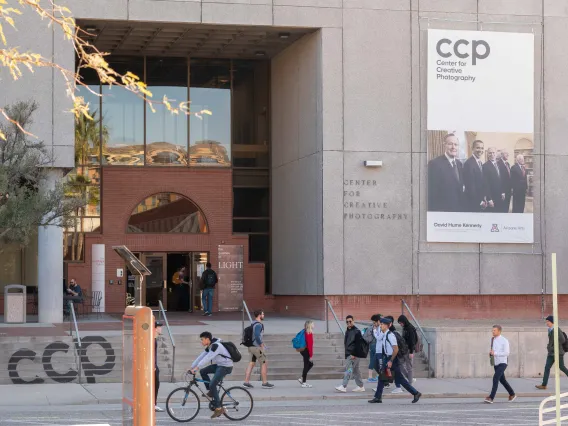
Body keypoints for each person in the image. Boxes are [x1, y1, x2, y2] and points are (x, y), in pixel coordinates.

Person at [369, 317, 421, 404]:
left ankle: (416, 393)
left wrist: (391, 361)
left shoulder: (390, 335)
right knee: (382, 377)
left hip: (392, 359)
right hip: (388, 358)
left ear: (387, 326)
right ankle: (378, 397)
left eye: (382, 324)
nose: (380, 326)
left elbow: (396, 349)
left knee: (399, 379)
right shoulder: (385, 334)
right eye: (380, 324)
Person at [189, 331, 234, 419]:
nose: (201, 342)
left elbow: (207, 358)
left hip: (226, 366)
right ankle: (211, 391)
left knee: (213, 384)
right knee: (203, 372)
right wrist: (192, 367)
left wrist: (196, 368)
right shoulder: (210, 345)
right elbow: (201, 356)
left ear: (207, 339)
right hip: (219, 365)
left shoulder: (215, 346)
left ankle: (218, 408)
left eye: (202, 340)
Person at [427, 133, 464, 212]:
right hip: (443, 211)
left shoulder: (459, 164)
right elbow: (432, 194)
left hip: (459, 210)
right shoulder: (434, 164)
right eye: (450, 144)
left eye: (456, 144)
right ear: (444, 145)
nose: (453, 147)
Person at [485, 325, 516, 403]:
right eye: (492, 330)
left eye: (494, 330)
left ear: (499, 331)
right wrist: (491, 354)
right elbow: (494, 350)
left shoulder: (504, 340)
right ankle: (512, 394)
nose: (493, 332)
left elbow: (507, 353)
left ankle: (491, 397)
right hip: (496, 362)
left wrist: (495, 353)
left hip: (503, 363)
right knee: (502, 380)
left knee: (495, 378)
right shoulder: (492, 339)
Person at [243, 310, 274, 389]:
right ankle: (264, 383)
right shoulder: (259, 325)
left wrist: (262, 343)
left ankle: (246, 382)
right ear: (259, 315)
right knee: (264, 362)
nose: (264, 315)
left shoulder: (253, 323)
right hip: (256, 347)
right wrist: (261, 345)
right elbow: (257, 336)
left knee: (251, 363)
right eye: (263, 314)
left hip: (251, 347)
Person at [536, 316, 568, 390]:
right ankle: (544, 385)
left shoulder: (556, 329)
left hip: (558, 352)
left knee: (562, 367)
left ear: (552, 322)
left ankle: (544, 385)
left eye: (548, 321)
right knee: (547, 367)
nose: (547, 323)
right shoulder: (550, 329)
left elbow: (562, 340)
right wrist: (549, 347)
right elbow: (551, 341)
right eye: (546, 321)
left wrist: (553, 347)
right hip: (551, 353)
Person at [335, 315, 365, 393]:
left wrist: (354, 354)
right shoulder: (348, 330)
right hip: (349, 353)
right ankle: (361, 386)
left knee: (349, 369)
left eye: (350, 321)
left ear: (353, 321)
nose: (348, 323)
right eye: (347, 321)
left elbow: (359, 345)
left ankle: (344, 386)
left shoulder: (357, 331)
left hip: (353, 354)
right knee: (356, 370)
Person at [463, 140, 488, 212]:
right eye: (478, 148)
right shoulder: (468, 164)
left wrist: (484, 197)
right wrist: (480, 202)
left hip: (481, 200)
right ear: (472, 149)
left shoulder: (480, 162)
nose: (480, 150)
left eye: (482, 148)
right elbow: (470, 187)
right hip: (473, 203)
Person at [398, 314, 419, 385]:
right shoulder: (405, 328)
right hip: (404, 350)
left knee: (409, 367)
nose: (400, 324)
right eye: (399, 323)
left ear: (404, 321)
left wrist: (411, 352)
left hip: (409, 350)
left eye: (401, 323)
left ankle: (410, 383)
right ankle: (410, 378)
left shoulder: (410, 328)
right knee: (400, 364)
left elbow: (412, 341)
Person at [483, 147, 505, 212]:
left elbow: (501, 179)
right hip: (492, 197)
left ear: (496, 154)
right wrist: (489, 199)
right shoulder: (485, 166)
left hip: (499, 196)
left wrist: (503, 192)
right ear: (487, 154)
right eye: (490, 153)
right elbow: (486, 184)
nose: (492, 154)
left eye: (493, 153)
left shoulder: (498, 164)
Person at [364, 314, 381, 383]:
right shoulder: (378, 328)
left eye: (374, 322)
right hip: (376, 346)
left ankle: (371, 377)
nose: (373, 323)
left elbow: (365, 337)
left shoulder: (370, 328)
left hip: (372, 346)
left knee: (373, 361)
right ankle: (376, 376)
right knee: (377, 361)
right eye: (373, 322)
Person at [298, 320, 315, 388]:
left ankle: (302, 378)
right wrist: (311, 355)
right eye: (313, 324)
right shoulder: (309, 333)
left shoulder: (304, 331)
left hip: (302, 350)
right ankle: (303, 382)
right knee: (306, 366)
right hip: (306, 351)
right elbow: (310, 345)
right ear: (310, 325)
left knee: (310, 364)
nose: (314, 325)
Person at [154, 321, 164, 412]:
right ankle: (153, 404)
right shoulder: (151, 339)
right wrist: (153, 365)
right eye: (159, 327)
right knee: (155, 385)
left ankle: (153, 404)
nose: (161, 328)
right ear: (155, 328)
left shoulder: (154, 339)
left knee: (156, 384)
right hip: (152, 366)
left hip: (154, 365)